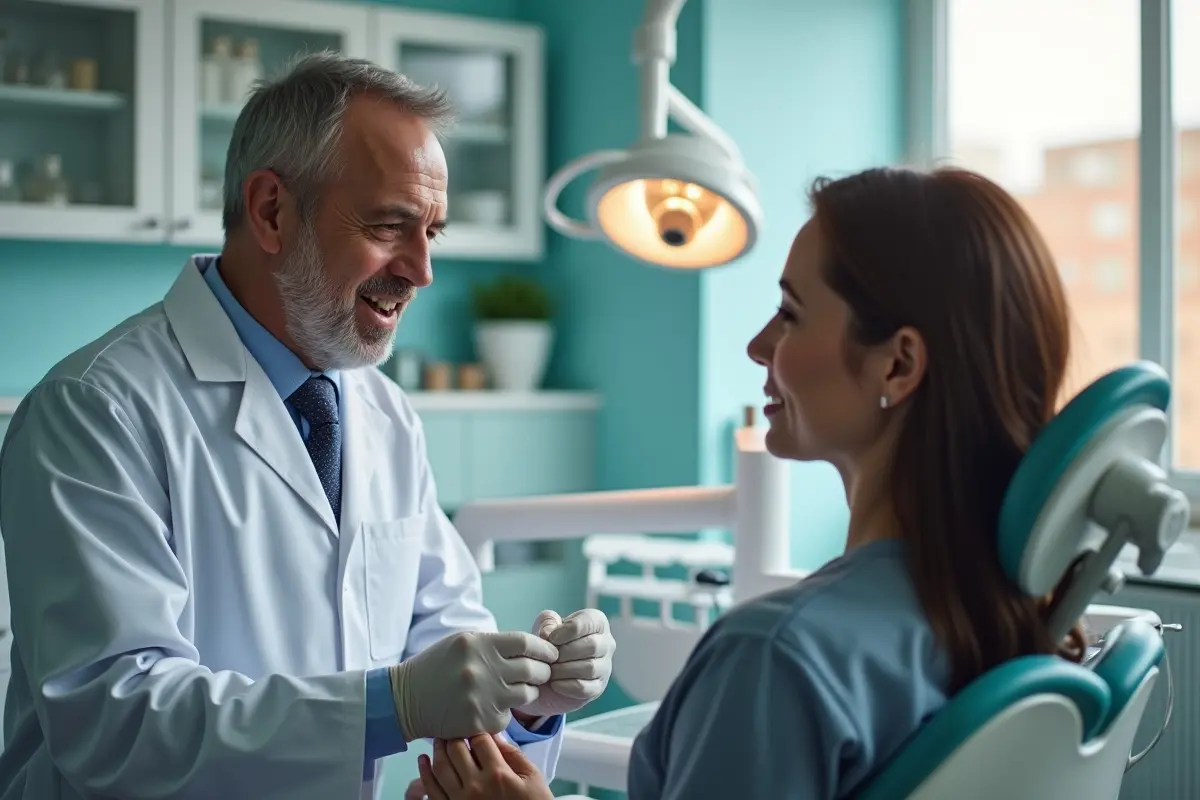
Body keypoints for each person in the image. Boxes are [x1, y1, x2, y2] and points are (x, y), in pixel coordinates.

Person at [0, 52, 615, 800]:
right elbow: (114, 721)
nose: (422, 270)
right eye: (390, 225)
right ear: (271, 212)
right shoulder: (95, 410)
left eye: (432, 233)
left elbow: (444, 637)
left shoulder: (382, 412)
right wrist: (392, 705)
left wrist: (527, 698)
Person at [415, 165, 1089, 800]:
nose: (759, 345)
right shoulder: (1012, 614)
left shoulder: (775, 658)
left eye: (791, 313)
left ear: (897, 365)